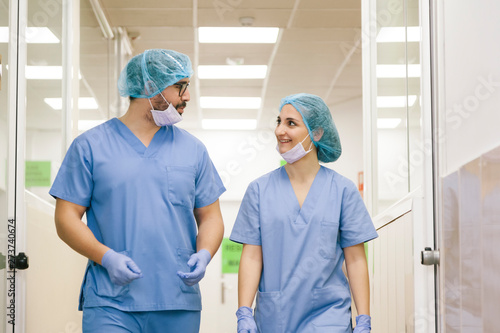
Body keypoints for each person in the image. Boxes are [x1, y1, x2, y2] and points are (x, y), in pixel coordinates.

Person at [50, 49, 226, 333]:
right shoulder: (90, 146)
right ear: (148, 87)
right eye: (179, 87)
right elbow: (66, 218)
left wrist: (204, 253)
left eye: (187, 87)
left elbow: (211, 217)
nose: (187, 97)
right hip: (111, 302)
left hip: (177, 300)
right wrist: (106, 256)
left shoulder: (193, 151)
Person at [230, 93, 378, 333]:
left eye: (291, 123)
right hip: (274, 316)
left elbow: (355, 259)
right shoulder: (259, 190)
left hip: (329, 315)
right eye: (279, 121)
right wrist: (244, 311)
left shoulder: (342, 190)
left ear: (317, 133)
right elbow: (252, 256)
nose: (280, 131)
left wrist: (364, 318)